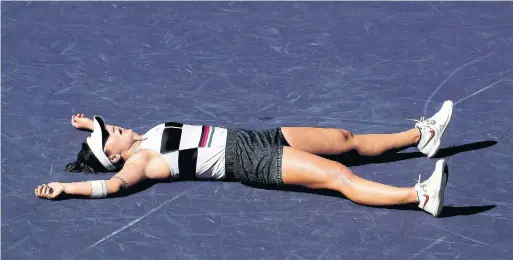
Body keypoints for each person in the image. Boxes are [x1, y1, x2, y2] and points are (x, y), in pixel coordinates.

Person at [35, 100, 453, 217]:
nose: (115, 127)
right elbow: (110, 184)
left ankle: (422, 135)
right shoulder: (139, 163)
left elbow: (100, 147)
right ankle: (417, 197)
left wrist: (89, 125)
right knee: (339, 176)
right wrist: (67, 187)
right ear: (115, 154)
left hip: (256, 137)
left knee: (344, 139)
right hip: (249, 161)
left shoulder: (139, 137)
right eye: (111, 134)